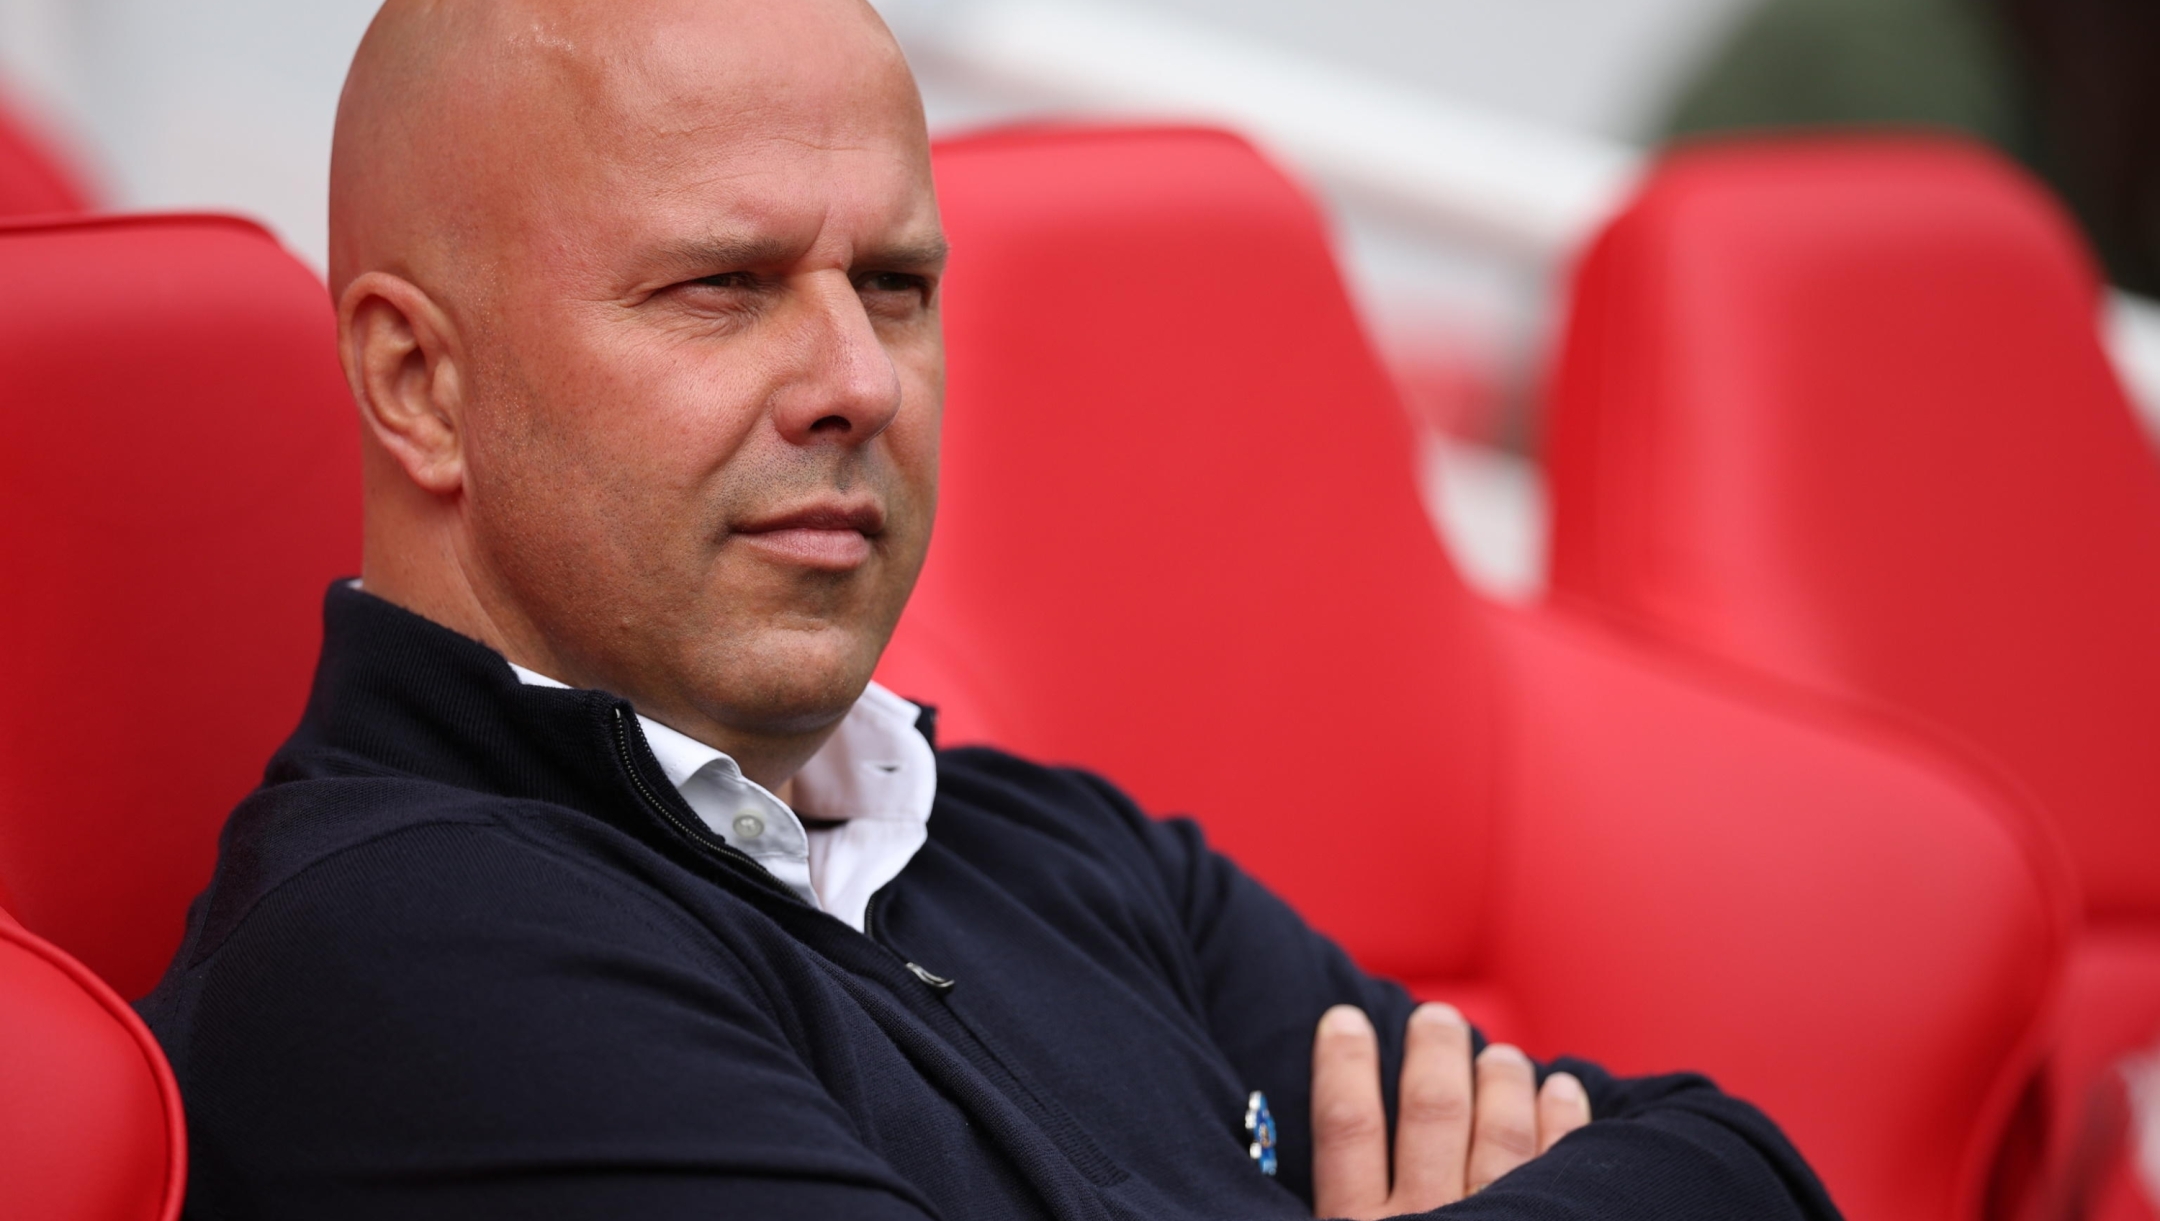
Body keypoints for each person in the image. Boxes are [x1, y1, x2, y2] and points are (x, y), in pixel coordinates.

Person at [138, 2, 1841, 1218]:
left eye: (897, 283)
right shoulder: (400, 960)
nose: (858, 380)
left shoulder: (1063, 850)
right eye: (720, 287)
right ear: (418, 383)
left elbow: (1740, 1165)